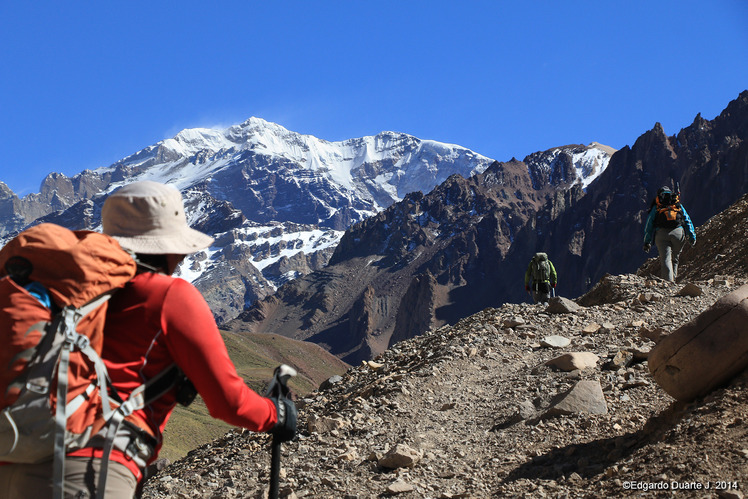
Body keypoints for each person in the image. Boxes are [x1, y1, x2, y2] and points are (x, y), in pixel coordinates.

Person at [0, 181, 297, 498]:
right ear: (170, 246)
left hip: (12, 458)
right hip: (87, 471)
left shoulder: (70, 293)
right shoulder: (169, 296)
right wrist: (276, 414)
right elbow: (229, 402)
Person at [643, 186, 696, 282]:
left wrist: (647, 241)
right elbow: (687, 220)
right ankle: (672, 283)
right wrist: (692, 236)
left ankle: (668, 283)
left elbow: (649, 224)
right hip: (678, 233)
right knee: (675, 259)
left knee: (666, 260)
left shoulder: (657, 206)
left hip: (661, 234)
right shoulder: (677, 205)